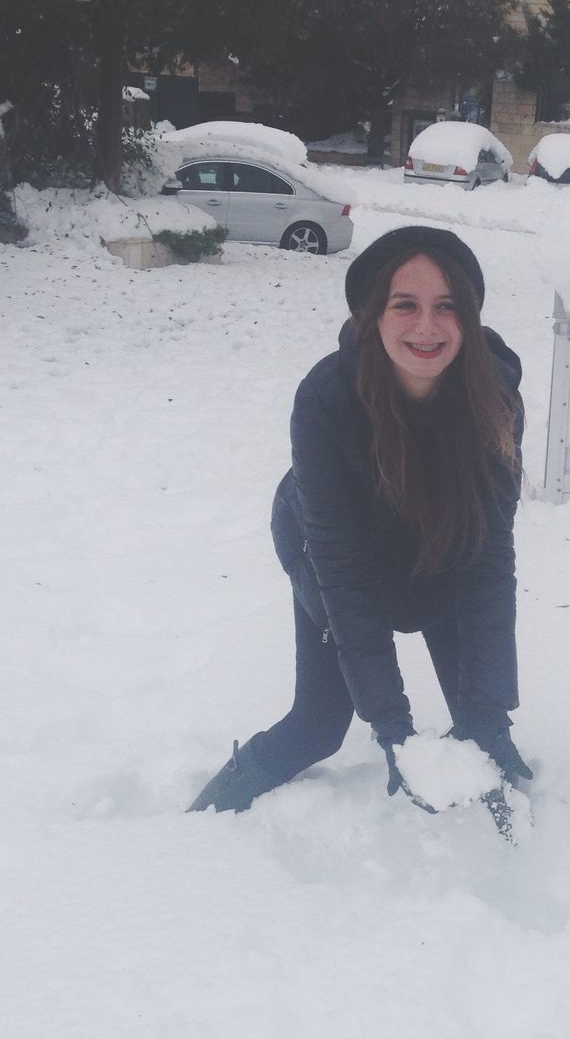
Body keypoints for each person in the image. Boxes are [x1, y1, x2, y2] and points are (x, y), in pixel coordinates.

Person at [190, 226, 532, 813]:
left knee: (482, 725)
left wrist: (488, 710)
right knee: (319, 725)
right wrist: (391, 724)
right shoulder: (326, 398)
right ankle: (195, 823)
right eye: (405, 305)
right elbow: (342, 573)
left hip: (440, 556)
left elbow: (489, 559)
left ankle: (508, 856)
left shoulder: (493, 399)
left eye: (447, 307)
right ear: (370, 314)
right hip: (328, 553)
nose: (426, 327)